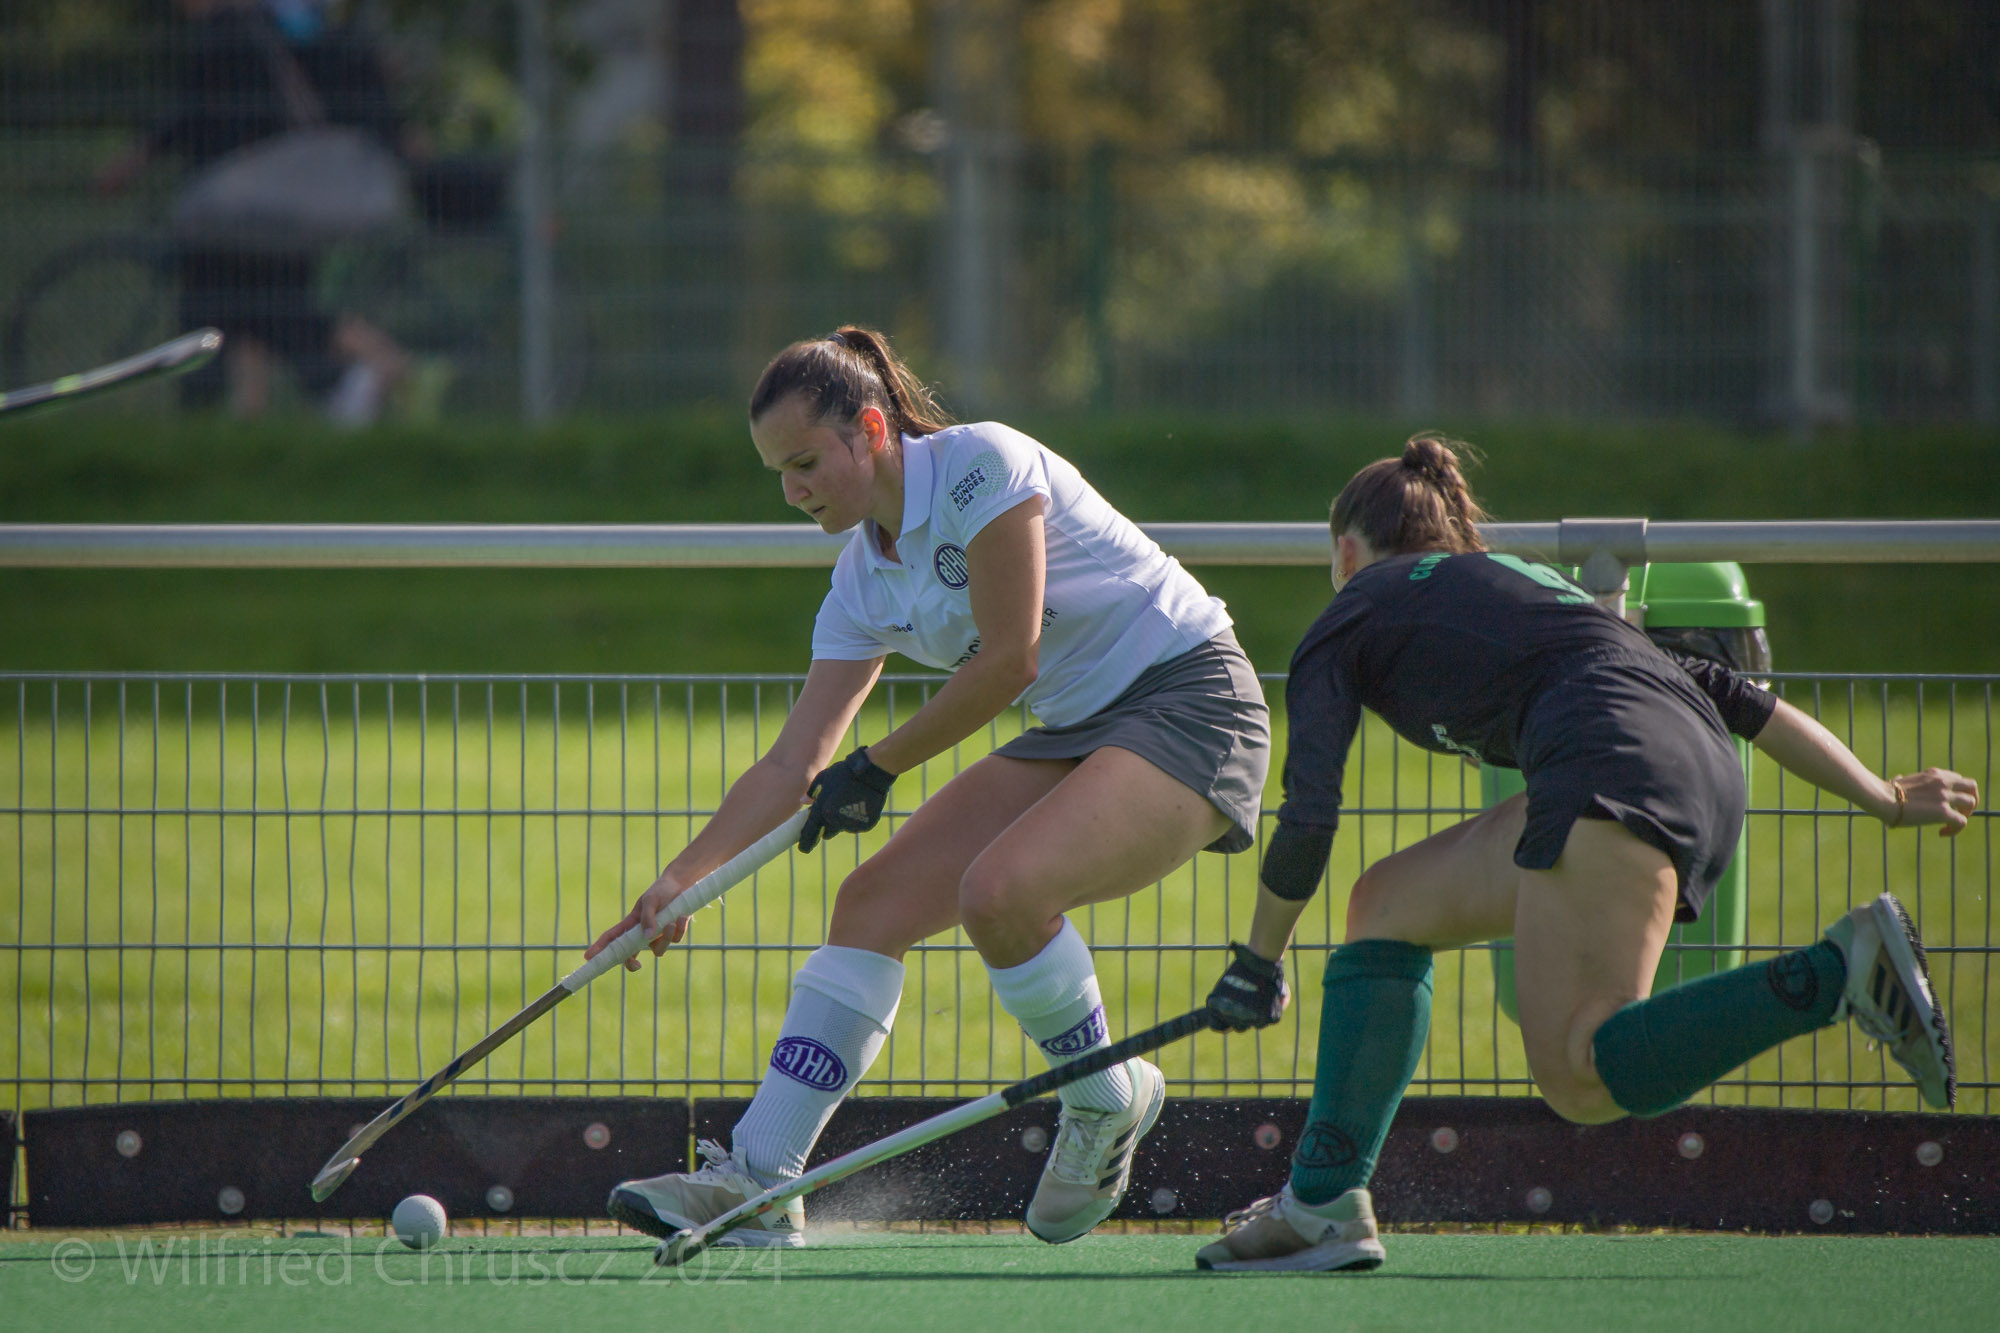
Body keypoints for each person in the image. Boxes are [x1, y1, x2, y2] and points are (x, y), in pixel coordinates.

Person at [1194, 435, 1979, 1273]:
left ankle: (1837, 972)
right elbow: (1744, 701)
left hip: (1608, 771)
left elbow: (1309, 814)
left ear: (1346, 551)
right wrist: (1886, 797)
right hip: (1693, 767)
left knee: (1580, 1071)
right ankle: (1322, 1202)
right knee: (1386, 903)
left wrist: (1258, 961)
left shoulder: (1349, 611)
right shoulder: (1522, 588)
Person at [585, 327, 1270, 1247]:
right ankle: (760, 1180)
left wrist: (879, 766)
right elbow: (793, 763)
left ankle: (1105, 1098)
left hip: (1193, 702)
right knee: (870, 901)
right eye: (777, 474)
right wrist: (678, 882)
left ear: (870, 430)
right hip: (1078, 730)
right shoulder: (861, 580)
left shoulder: (983, 466)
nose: (791, 491)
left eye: (804, 464)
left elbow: (1011, 658)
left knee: (1001, 890)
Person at [96, 0, 411, 421]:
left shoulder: (231, 30)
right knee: (260, 308)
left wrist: (137, 158)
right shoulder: (275, 26)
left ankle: (361, 376)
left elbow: (193, 110)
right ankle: (295, 399)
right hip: (280, 201)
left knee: (238, 309)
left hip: (241, 208)